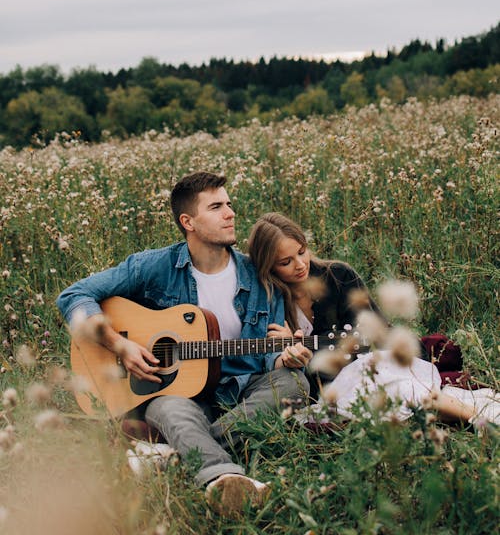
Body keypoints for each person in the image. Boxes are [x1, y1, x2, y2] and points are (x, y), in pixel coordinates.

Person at [57, 173, 310, 516]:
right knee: (170, 408)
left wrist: (286, 359)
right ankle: (225, 478)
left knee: (294, 381)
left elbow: (269, 357)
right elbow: (73, 295)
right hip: (180, 394)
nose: (230, 213)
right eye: (217, 206)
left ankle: (176, 456)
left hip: (243, 389)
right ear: (187, 221)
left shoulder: (260, 277)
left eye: (230, 204)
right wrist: (120, 346)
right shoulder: (155, 266)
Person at [248, 212, 499, 427]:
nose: (300, 264)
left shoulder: (338, 276)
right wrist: (287, 350)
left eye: (302, 252)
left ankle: (481, 421)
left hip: (368, 365)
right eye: (285, 262)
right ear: (269, 266)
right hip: (327, 390)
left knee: (399, 388)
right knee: (395, 403)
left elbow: (370, 336)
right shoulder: (269, 300)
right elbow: (272, 364)